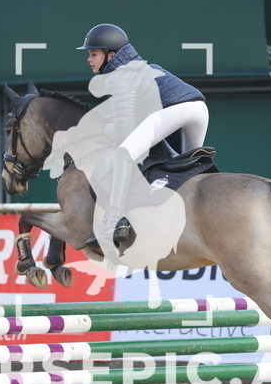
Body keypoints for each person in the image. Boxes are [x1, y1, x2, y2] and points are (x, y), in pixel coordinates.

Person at [76, 23, 210, 246]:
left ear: (111, 55)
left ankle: (114, 222)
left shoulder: (120, 76)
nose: (89, 59)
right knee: (186, 170)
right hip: (198, 110)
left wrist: (103, 129)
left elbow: (124, 130)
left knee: (122, 154)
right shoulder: (139, 68)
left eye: (93, 54)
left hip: (175, 110)